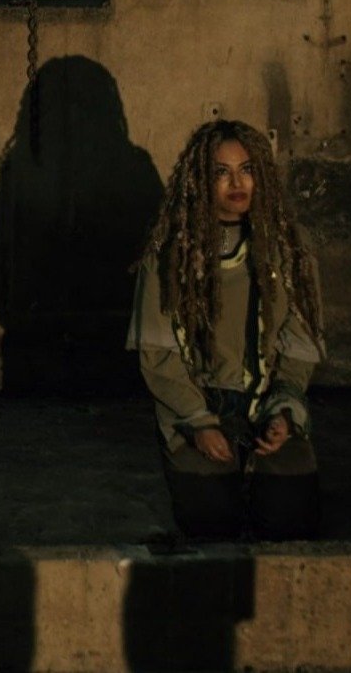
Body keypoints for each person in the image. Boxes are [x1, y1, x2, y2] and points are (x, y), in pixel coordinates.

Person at [129, 119, 326, 541]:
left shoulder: (289, 246)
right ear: (201, 180)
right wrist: (199, 421)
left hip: (265, 403)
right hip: (198, 407)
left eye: (247, 169)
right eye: (222, 172)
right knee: (212, 524)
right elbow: (157, 353)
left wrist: (284, 412)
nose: (237, 183)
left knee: (290, 521)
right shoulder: (170, 252)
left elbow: (301, 341)